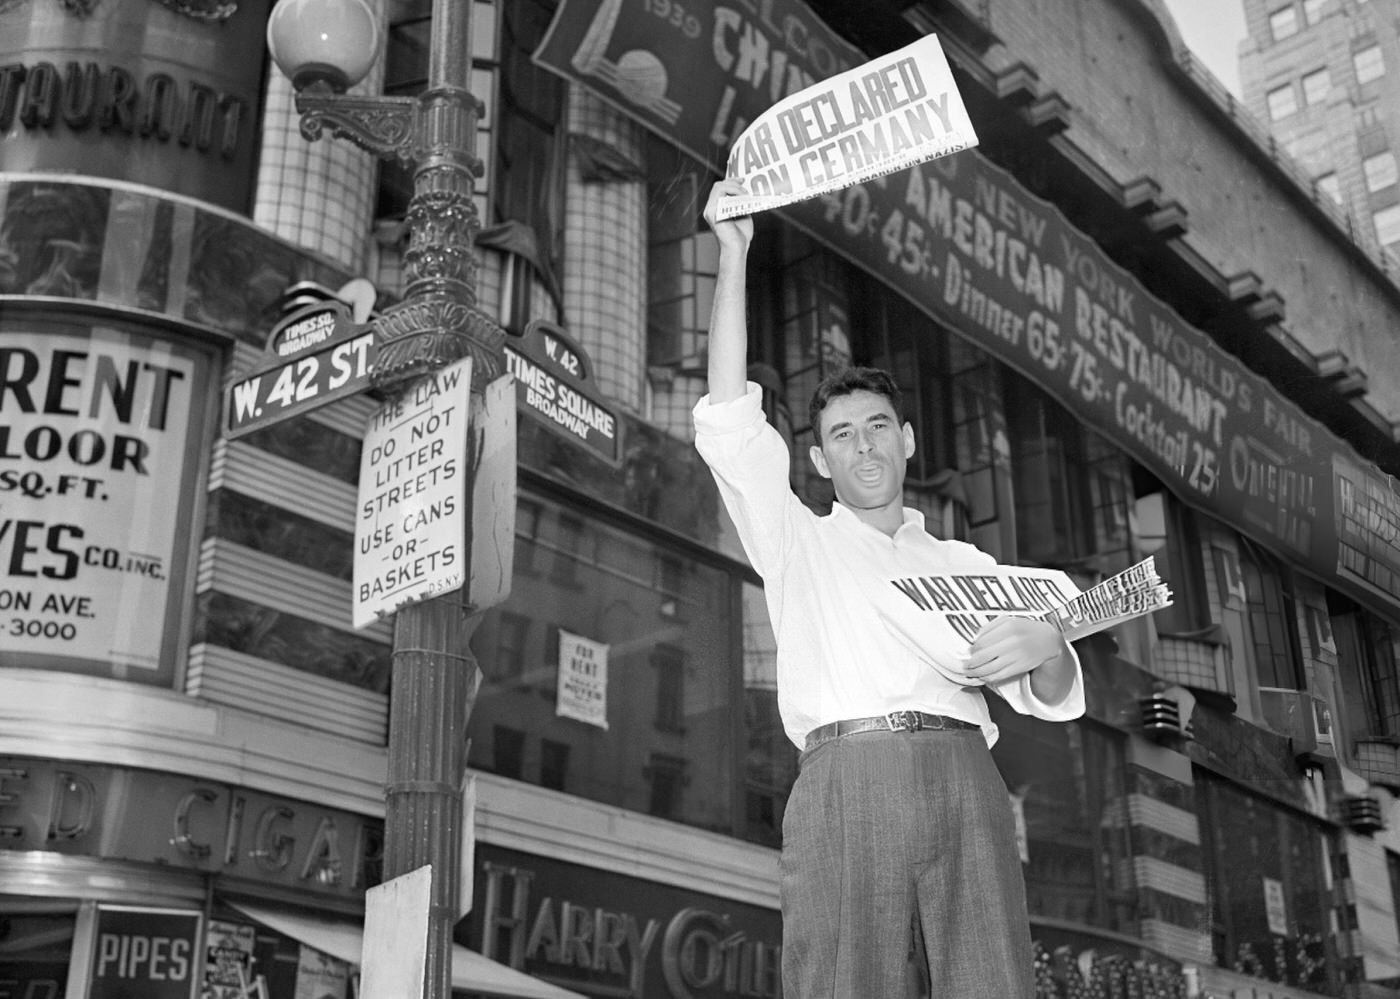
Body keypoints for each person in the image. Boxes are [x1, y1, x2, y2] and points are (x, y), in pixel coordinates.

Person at [691, 179, 1086, 999]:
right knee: (840, 981)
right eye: (841, 434)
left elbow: (1047, 691)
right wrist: (734, 255)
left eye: (877, 427)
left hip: (963, 770)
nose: (862, 446)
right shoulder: (797, 541)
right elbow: (729, 414)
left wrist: (1051, 643)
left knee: (993, 981)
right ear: (817, 459)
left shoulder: (966, 568)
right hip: (844, 774)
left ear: (906, 439)